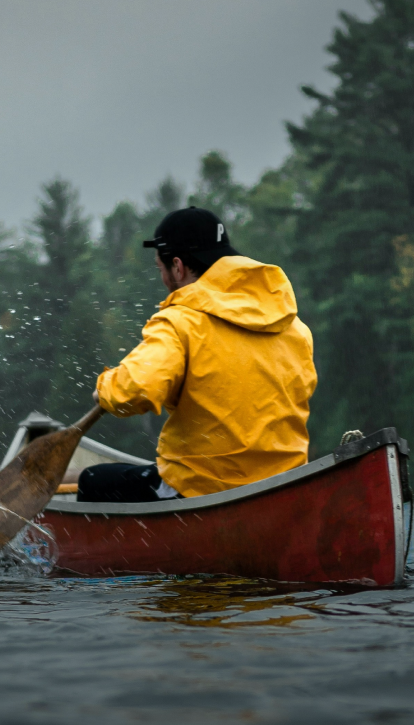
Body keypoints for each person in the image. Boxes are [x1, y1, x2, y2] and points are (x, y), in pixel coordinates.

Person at [77, 206, 316, 503]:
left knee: (92, 481)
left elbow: (131, 392)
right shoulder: (294, 327)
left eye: (160, 269)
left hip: (202, 489)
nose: (163, 278)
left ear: (178, 267)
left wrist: (104, 389)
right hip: (286, 485)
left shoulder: (179, 323)